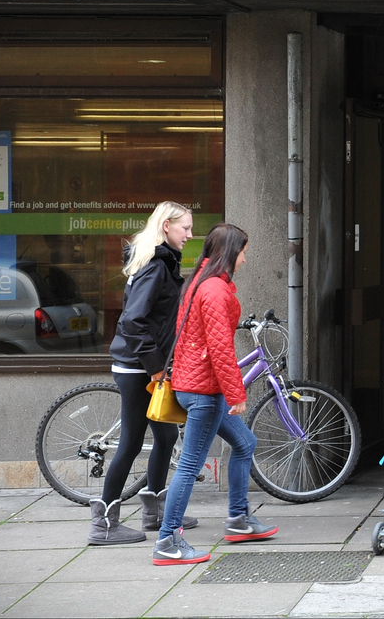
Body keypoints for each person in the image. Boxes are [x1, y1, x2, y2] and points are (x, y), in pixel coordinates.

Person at [152, 222, 277, 566]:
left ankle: (238, 520)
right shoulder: (215, 292)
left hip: (194, 385)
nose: (246, 259)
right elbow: (220, 348)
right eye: (244, 252)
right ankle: (167, 540)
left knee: (245, 443)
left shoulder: (199, 283)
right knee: (190, 465)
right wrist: (236, 394)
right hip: (204, 392)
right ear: (230, 252)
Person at [89, 201, 197, 545]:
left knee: (165, 437)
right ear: (166, 225)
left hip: (144, 365)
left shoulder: (159, 260)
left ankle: (155, 510)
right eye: (185, 229)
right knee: (132, 442)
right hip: (137, 368)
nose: (190, 235)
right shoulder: (155, 264)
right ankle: (103, 523)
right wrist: (154, 368)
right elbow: (133, 321)